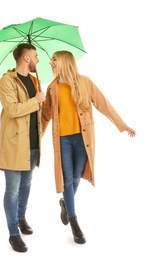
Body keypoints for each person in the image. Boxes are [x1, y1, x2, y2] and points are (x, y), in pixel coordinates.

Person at [41, 50, 136, 245]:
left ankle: (65, 204)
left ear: (65, 62)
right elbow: (45, 117)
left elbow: (104, 105)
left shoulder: (85, 82)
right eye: (51, 60)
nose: (50, 63)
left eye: (54, 60)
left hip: (82, 139)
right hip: (63, 140)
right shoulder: (52, 88)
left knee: (76, 177)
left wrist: (123, 125)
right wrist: (35, 139)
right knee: (68, 180)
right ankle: (75, 223)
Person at [0, 43, 46, 253]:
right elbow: (12, 109)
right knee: (12, 190)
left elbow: (38, 112)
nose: (38, 60)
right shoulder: (6, 81)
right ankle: (13, 233)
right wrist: (35, 100)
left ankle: (21, 217)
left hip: (33, 144)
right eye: (35, 56)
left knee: (26, 184)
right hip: (15, 144)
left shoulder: (35, 81)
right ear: (26, 58)